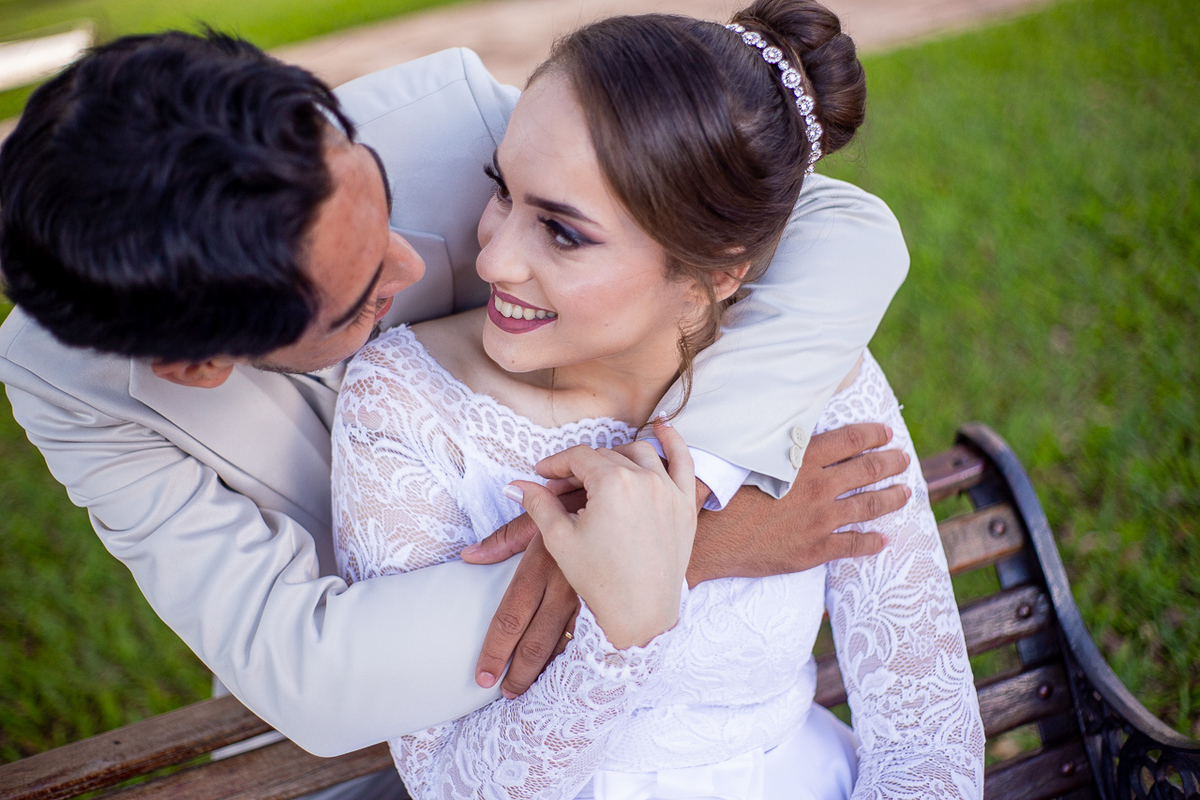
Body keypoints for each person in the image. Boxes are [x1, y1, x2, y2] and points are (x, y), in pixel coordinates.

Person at [0, 23, 911, 770]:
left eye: (381, 204)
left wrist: (673, 477)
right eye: (363, 293)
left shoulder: (442, 120)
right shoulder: (82, 390)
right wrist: (680, 547)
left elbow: (836, 226)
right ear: (201, 366)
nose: (438, 261)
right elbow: (319, 682)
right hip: (412, 722)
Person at [330, 2, 985, 798]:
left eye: (563, 233)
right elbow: (447, 784)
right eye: (504, 190)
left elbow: (927, 731)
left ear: (717, 273)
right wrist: (619, 630)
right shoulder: (401, 404)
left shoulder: (812, 371)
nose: (495, 257)